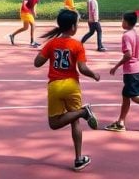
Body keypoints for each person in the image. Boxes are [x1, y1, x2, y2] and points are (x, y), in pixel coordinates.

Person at [34, 9, 101, 171]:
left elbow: (37, 63)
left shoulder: (51, 44)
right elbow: (82, 68)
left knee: (54, 123)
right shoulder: (77, 45)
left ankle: (83, 114)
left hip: (55, 86)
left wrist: (46, 53)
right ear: (72, 27)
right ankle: (78, 157)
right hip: (71, 85)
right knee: (74, 120)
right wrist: (94, 74)